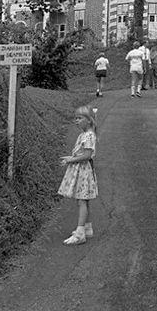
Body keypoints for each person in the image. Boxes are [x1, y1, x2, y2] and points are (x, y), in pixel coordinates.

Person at [58, 105, 98, 245]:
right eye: (75, 118)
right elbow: (82, 153)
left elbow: (87, 155)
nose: (76, 121)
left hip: (83, 171)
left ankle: (80, 233)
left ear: (88, 120)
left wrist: (71, 160)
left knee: (82, 200)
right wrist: (70, 157)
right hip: (81, 170)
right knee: (83, 199)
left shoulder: (88, 135)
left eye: (80, 118)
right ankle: (87, 228)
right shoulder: (84, 134)